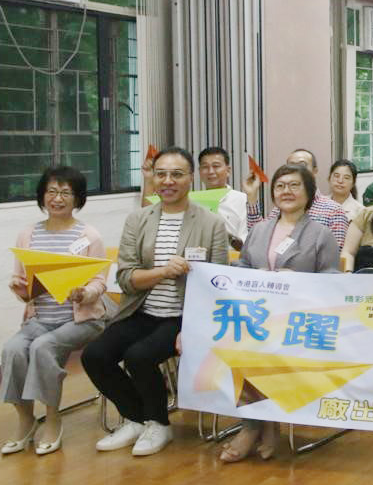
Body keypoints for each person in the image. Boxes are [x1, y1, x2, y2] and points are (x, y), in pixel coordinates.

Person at [83, 147, 229, 456]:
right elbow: (125, 277)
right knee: (94, 355)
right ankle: (137, 418)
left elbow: (218, 285)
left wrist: (193, 329)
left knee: (139, 356)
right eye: (160, 174)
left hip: (183, 316)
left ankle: (159, 424)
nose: (167, 181)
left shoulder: (211, 224)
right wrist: (162, 271)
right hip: (141, 310)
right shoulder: (138, 219)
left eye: (177, 174)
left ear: (191, 178)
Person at [220, 163, 341, 462]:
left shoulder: (320, 233)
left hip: (300, 322)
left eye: (294, 185)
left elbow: (332, 281)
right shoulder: (260, 229)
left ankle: (253, 427)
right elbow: (243, 266)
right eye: (280, 186)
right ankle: (264, 423)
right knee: (237, 348)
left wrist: (296, 280)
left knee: (263, 351)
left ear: (309, 192)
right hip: (259, 318)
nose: (286, 191)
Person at [0, 166, 108, 457]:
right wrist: (18, 286)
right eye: (51, 191)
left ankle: (53, 419)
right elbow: (22, 285)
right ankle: (25, 419)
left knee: (42, 348)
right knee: (12, 349)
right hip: (39, 319)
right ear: (42, 195)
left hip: (81, 319)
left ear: (77, 198)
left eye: (65, 192)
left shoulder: (88, 235)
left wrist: (84, 293)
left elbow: (99, 281)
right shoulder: (28, 234)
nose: (57, 198)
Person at [245, 148, 349, 249]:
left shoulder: (333, 211)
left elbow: (335, 255)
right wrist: (252, 196)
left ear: (315, 171)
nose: (296, 170)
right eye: (291, 165)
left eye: (302, 165)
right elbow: (257, 238)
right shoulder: (280, 208)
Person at [197, 147, 249, 250]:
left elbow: (246, 238)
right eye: (205, 167)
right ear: (199, 172)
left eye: (216, 166)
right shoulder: (192, 201)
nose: (211, 171)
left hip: (232, 261)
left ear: (228, 170)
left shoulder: (242, 199)